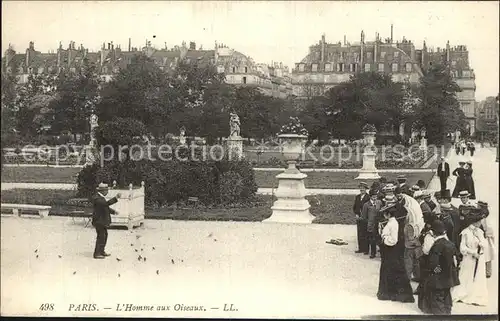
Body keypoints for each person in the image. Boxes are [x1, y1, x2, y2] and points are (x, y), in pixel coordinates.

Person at [377, 203, 415, 303]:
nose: (384, 215)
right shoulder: (390, 222)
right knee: (389, 271)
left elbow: (394, 240)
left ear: (388, 214)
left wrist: (384, 238)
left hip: (391, 251)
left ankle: (390, 293)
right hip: (389, 251)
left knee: (391, 271)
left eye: (385, 214)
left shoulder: (392, 224)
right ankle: (388, 292)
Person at [422, 220, 460, 314]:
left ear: (433, 233)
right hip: (449, 276)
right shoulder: (450, 244)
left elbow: (432, 261)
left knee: (437, 299)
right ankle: (448, 313)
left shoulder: (437, 245)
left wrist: (434, 269)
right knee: (447, 297)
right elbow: (457, 258)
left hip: (439, 278)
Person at [451, 212, 489, 306]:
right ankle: (464, 294)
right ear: (474, 222)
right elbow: (462, 248)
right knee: (466, 276)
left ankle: (476, 297)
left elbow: (485, 244)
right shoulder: (465, 232)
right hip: (469, 259)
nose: (480, 223)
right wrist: (473, 252)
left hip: (479, 259)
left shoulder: (480, 232)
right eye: (479, 221)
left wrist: (481, 243)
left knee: (477, 277)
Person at [91, 183, 121, 259]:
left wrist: (113, 212)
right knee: (101, 236)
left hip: (101, 221)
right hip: (99, 221)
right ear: (102, 191)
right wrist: (116, 198)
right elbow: (105, 204)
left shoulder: (100, 197)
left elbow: (105, 207)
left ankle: (101, 251)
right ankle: (97, 253)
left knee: (104, 236)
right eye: (106, 190)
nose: (107, 191)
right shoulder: (97, 198)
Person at [361, 189, 382, 258]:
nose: (375, 198)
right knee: (371, 239)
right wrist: (368, 222)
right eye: (373, 197)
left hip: (378, 224)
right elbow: (364, 216)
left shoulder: (379, 202)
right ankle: (372, 253)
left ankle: (379, 252)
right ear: (370, 197)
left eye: (376, 196)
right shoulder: (366, 205)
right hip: (370, 224)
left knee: (378, 238)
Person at [353, 182, 371, 254]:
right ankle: (360, 248)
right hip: (359, 217)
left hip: (365, 218)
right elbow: (355, 207)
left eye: (363, 188)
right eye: (360, 188)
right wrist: (356, 214)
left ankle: (366, 249)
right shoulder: (357, 197)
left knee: (365, 233)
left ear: (366, 189)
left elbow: (369, 208)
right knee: (359, 233)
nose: (361, 189)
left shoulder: (368, 197)